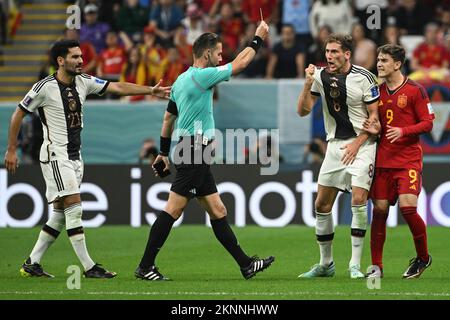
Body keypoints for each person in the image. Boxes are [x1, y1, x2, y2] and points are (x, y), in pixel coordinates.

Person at [3, 39, 170, 279]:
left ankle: (32, 263)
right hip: (55, 155)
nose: (81, 60)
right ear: (60, 61)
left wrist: (149, 90)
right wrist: (11, 149)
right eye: (74, 57)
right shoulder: (44, 87)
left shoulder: (84, 81)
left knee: (60, 212)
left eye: (81, 56)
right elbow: (18, 113)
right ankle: (90, 267)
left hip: (74, 156)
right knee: (74, 206)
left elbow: (117, 88)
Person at [135, 22, 275, 281]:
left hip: (190, 148)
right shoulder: (202, 76)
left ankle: (245, 265)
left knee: (217, 209)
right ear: (206, 54)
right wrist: (258, 38)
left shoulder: (180, 80)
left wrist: (164, 153)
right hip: (195, 149)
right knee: (173, 210)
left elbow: (168, 120)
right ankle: (145, 266)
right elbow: (241, 64)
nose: (221, 57)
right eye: (219, 52)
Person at [296, 34, 380, 279]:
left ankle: (354, 265)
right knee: (321, 205)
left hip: (362, 145)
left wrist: (358, 143)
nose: (329, 56)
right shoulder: (320, 76)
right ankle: (326, 264)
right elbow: (302, 111)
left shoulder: (365, 78)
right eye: (327, 52)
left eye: (334, 52)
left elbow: (374, 119)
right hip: (335, 147)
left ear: (347, 54)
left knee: (358, 199)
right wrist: (306, 83)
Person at [364, 44, 434, 279]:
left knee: (407, 207)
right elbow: (374, 123)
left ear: (397, 64)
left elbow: (428, 123)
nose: (379, 64)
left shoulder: (416, 90)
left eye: (384, 60)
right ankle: (376, 266)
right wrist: (374, 128)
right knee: (380, 210)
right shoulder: (376, 91)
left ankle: (423, 258)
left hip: (407, 161)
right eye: (378, 59)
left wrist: (403, 132)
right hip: (383, 160)